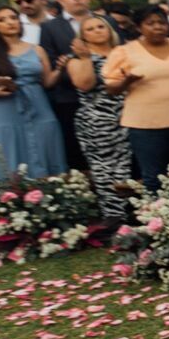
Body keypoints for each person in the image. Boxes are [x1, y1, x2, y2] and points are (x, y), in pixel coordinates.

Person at [105, 6, 169, 191]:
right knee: (153, 177)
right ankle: (156, 211)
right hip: (145, 127)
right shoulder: (124, 52)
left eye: (162, 23)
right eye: (150, 23)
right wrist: (127, 81)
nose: (158, 27)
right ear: (138, 27)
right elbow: (111, 89)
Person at [0, 5, 68, 179]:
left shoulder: (37, 49)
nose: (10, 22)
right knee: (6, 150)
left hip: (38, 107)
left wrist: (60, 69)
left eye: (13, 18)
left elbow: (47, 82)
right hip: (2, 109)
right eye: (2, 20)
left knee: (44, 145)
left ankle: (49, 190)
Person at [65, 15, 132, 219]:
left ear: (110, 29)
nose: (97, 31)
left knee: (124, 167)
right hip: (97, 121)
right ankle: (112, 215)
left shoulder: (125, 52)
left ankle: (127, 212)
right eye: (90, 29)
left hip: (129, 116)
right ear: (82, 36)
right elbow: (84, 85)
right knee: (104, 169)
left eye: (101, 26)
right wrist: (86, 58)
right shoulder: (76, 59)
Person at [38, 0, 103, 172]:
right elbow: (51, 61)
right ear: (61, 0)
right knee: (76, 150)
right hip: (69, 97)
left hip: (106, 96)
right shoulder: (50, 27)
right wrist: (79, 75)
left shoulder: (104, 22)